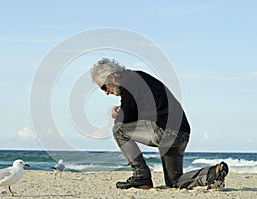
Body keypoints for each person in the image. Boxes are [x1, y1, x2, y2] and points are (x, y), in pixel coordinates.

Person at [90, 58, 229, 190]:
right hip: (182, 133)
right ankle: (212, 173)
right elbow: (137, 111)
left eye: (104, 88)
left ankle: (140, 176)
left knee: (118, 130)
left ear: (112, 77)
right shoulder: (138, 78)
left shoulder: (129, 83)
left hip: (165, 132)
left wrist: (116, 113)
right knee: (174, 182)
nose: (106, 93)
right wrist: (123, 111)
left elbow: (124, 121)